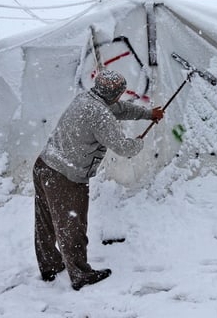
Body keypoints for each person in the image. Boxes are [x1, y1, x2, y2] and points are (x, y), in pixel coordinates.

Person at [32, 69, 163, 290]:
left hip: (45, 165)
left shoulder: (86, 98)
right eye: (120, 92)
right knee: (72, 227)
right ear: (116, 93)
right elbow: (124, 148)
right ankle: (80, 275)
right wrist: (139, 142)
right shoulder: (99, 115)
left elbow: (118, 109)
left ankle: (50, 265)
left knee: (45, 221)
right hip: (66, 177)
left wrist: (147, 114)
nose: (121, 97)